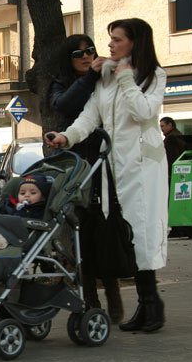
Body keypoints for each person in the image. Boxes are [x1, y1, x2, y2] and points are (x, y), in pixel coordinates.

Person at [45, 18, 168, 333]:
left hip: (144, 165)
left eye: (117, 39)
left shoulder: (153, 76)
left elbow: (143, 112)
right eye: (110, 38)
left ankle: (152, 305)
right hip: (114, 166)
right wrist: (66, 137)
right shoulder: (105, 77)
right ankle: (144, 304)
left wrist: (126, 79)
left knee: (143, 231)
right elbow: (90, 116)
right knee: (122, 230)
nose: (110, 45)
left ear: (134, 43)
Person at [49, 34, 124, 323]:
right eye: (78, 53)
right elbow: (67, 106)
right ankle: (90, 299)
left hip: (105, 166)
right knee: (83, 235)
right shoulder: (62, 84)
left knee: (106, 230)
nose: (85, 56)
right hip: (77, 169)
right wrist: (90, 78)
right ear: (67, 59)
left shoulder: (106, 79)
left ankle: (114, 292)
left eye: (90, 51)